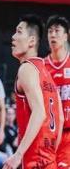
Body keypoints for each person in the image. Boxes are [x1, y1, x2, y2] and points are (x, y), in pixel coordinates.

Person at [3, 15, 63, 169]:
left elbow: (39, 112)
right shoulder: (47, 73)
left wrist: (18, 155)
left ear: (31, 41)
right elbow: (61, 118)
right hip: (50, 161)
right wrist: (50, 155)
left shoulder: (26, 69)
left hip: (35, 161)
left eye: (19, 32)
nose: (13, 37)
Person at [44, 15, 69, 166]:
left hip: (68, 134)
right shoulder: (42, 67)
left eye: (57, 31)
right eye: (50, 31)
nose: (52, 35)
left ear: (66, 36)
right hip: (48, 136)